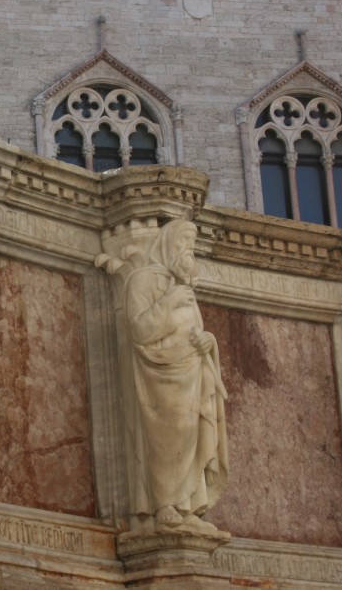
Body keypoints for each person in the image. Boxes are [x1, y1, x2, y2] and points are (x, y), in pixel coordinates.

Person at [124, 219, 228, 533]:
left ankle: (189, 504)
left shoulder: (184, 286)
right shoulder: (142, 281)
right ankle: (165, 503)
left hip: (193, 371)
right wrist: (169, 302)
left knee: (194, 431)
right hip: (161, 375)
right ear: (168, 245)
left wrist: (209, 342)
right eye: (184, 246)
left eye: (192, 248)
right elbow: (140, 330)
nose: (189, 253)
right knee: (171, 434)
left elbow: (195, 331)